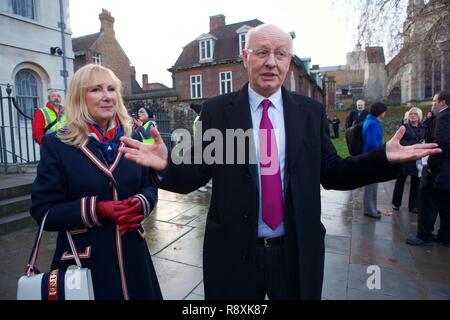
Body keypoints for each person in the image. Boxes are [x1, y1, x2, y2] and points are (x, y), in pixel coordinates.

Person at [119, 24, 440, 299]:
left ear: (289, 61)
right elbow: (197, 174)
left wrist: (381, 158)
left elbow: (333, 172)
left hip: (296, 254)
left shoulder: (309, 112)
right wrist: (165, 166)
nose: (271, 62)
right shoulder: (218, 111)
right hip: (234, 254)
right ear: (245, 58)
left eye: (281, 54)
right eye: (261, 52)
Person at [30, 64, 162, 300]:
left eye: (111, 89)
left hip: (134, 259)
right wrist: (97, 209)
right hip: (84, 264)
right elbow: (43, 211)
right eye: (96, 90)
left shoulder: (131, 138)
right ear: (80, 96)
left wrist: (141, 204)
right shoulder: (57, 144)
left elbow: (149, 187)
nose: (107, 97)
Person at [406, 91, 450, 247]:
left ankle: (424, 236)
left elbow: (440, 145)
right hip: (445, 173)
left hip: (438, 171)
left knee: (427, 202)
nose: (432, 103)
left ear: (443, 102)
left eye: (434, 101)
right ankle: (446, 236)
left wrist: (431, 167)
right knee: (446, 204)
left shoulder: (444, 117)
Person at [391, 107, 426, 213]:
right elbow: (399, 141)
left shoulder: (425, 127)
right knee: (400, 181)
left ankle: (413, 206)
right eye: (411, 114)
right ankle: (396, 203)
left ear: (419, 116)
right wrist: (413, 145)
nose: (413, 115)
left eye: (415, 114)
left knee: (416, 182)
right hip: (405, 157)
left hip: (417, 158)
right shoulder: (404, 127)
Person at [362, 102, 388, 219]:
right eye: (384, 111)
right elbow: (371, 142)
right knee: (371, 186)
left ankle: (372, 208)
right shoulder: (373, 123)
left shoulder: (370, 121)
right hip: (371, 158)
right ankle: (370, 210)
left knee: (372, 185)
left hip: (370, 157)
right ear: (380, 111)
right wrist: (383, 148)